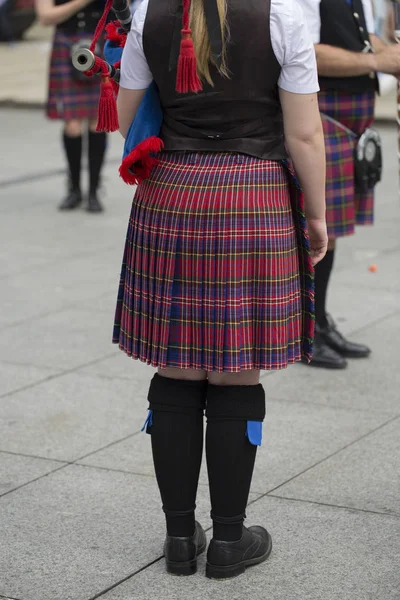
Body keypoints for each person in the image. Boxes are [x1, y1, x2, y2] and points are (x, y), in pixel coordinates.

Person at [114, 0, 327, 580]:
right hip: (252, 193)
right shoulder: (283, 12)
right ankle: (230, 541)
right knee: (236, 371)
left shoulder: (148, 11)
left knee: (178, 367)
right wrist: (317, 216)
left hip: (172, 192)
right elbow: (304, 133)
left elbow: (124, 109)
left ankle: (180, 536)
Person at [298, 0, 400, 368]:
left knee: (334, 229)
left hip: (350, 118)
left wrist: (390, 54)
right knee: (317, 227)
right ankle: (304, 332)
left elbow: (361, 37)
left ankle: (319, 320)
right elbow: (307, 51)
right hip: (322, 111)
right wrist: (378, 62)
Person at [35, 0, 108, 212]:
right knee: (72, 126)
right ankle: (74, 189)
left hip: (99, 43)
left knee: (97, 123)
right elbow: (45, 17)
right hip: (66, 43)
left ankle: (94, 191)